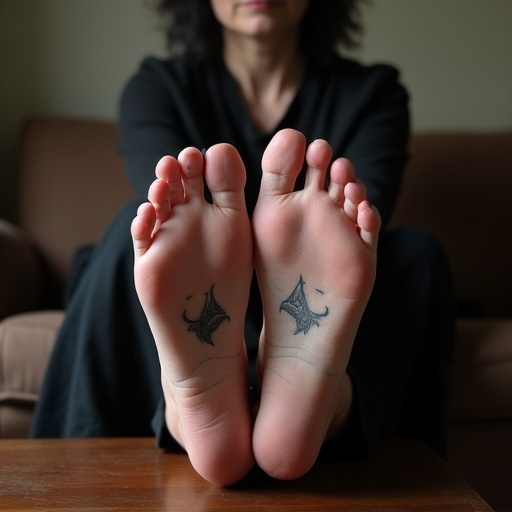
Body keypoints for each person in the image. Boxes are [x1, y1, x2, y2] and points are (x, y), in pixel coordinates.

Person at [31, 0, 454, 487]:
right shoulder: (159, 87)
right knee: (135, 232)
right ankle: (189, 403)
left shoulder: (373, 93)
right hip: (201, 293)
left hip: (318, 302)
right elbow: (167, 209)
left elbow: (360, 222)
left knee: (417, 255)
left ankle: (324, 399)